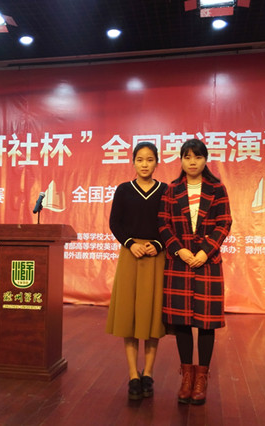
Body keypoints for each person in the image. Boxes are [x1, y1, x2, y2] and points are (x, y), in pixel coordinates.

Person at [158, 138, 232, 405]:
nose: (192, 162)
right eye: (187, 157)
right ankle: (187, 376)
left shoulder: (217, 189)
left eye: (198, 157)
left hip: (207, 263)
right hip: (179, 262)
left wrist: (204, 252)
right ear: (180, 159)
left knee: (206, 322)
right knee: (182, 322)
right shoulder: (172, 189)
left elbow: (224, 223)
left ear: (205, 160)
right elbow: (163, 224)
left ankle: (202, 378)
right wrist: (179, 250)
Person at [106, 142, 168, 400]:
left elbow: (170, 225)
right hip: (131, 256)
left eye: (149, 159)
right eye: (140, 159)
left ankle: (148, 373)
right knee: (129, 317)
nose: (144, 164)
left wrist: (158, 244)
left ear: (157, 163)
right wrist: (131, 244)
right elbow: (115, 223)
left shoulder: (166, 190)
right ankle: (133, 374)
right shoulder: (123, 190)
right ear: (133, 162)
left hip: (156, 257)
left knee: (152, 317)